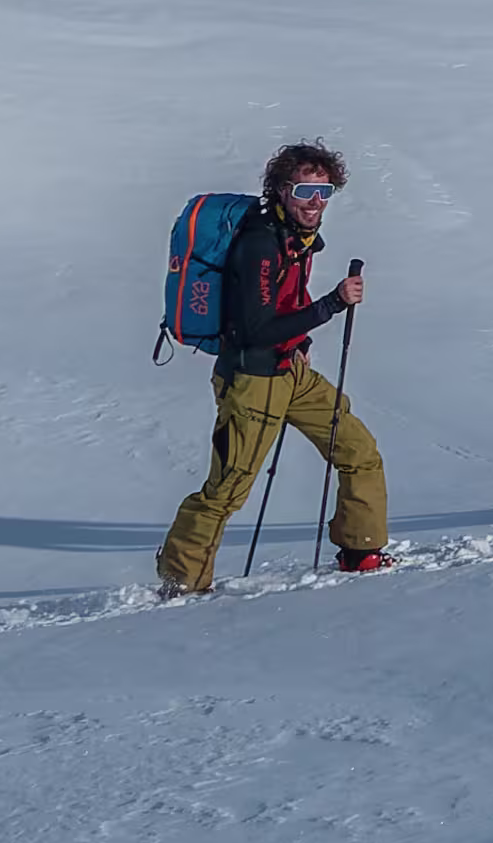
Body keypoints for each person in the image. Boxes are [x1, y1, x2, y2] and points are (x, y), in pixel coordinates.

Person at [159, 141, 389, 592]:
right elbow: (255, 328)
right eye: (305, 190)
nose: (315, 202)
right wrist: (332, 304)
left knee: (358, 451)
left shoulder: (295, 238)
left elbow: (282, 306)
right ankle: (181, 581)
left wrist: (300, 337)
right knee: (227, 489)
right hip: (252, 379)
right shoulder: (260, 245)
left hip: (290, 371)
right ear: (282, 190)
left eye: (325, 192)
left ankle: (362, 550)